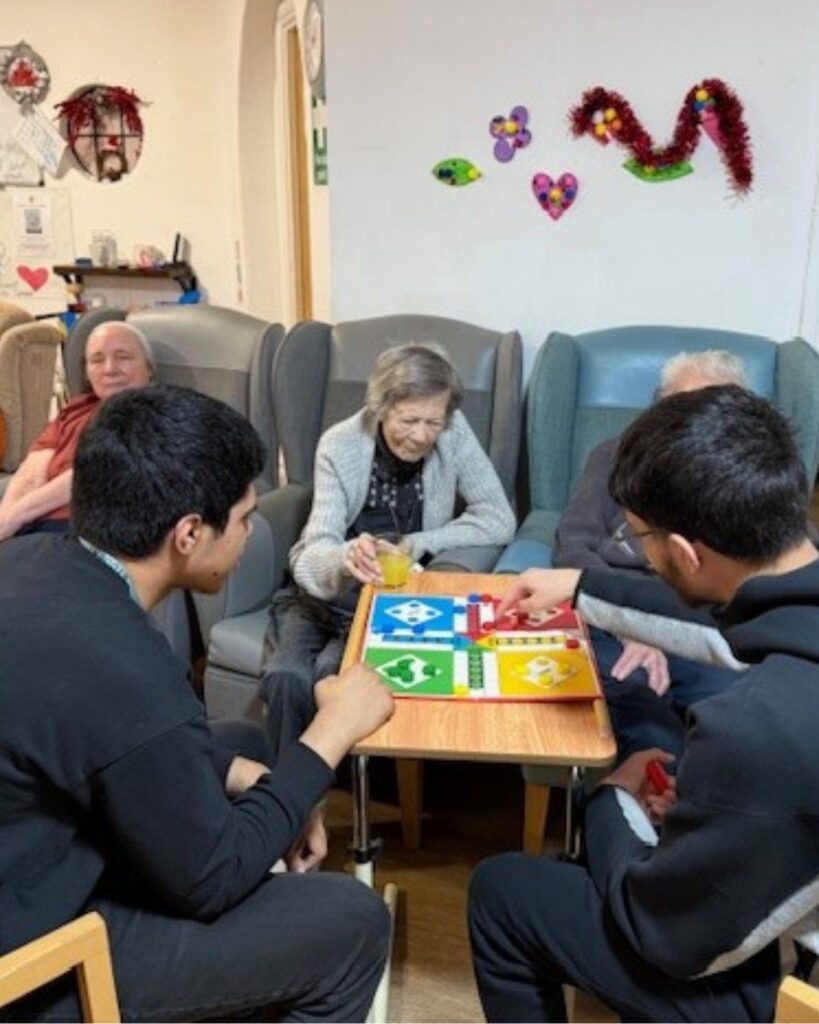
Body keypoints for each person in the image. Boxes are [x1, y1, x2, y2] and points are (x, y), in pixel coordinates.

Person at [0, 385, 395, 1023]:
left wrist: (259, 781)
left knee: (238, 746)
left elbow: (101, 738)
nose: (248, 535)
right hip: (34, 956)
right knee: (352, 922)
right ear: (189, 533)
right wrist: (330, 733)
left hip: (31, 853)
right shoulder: (123, 663)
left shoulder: (29, 562)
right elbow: (209, 879)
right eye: (243, 520)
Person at [468, 384, 819, 1023]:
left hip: (770, 976)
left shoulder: (755, 729)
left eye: (642, 540)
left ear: (686, 552)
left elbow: (664, 931)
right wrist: (578, 587)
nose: (642, 555)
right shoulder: (798, 592)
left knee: (504, 890)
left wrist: (612, 799)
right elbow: (728, 628)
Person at [262, 342, 516, 755]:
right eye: (409, 419)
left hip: (383, 602)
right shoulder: (340, 444)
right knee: (286, 677)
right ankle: (288, 808)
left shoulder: (453, 432)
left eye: (433, 422)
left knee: (334, 675)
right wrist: (346, 557)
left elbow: (498, 518)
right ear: (382, 407)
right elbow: (314, 549)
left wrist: (416, 544)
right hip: (319, 593)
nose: (421, 435)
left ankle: (313, 795)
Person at [552, 350, 748, 758]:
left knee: (727, 721)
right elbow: (573, 543)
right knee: (644, 721)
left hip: (700, 624)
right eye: (680, 405)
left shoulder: (741, 474)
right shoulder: (614, 455)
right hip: (613, 614)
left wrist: (665, 629)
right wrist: (632, 625)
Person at [0, 320, 153, 541]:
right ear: (87, 372)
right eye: (97, 360)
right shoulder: (75, 409)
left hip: (85, 530)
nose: (110, 369)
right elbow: (31, 473)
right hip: (32, 521)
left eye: (123, 357)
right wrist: (6, 521)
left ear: (149, 367)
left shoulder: (154, 411)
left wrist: (16, 517)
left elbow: (90, 475)